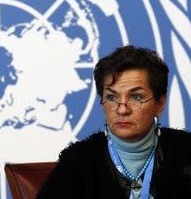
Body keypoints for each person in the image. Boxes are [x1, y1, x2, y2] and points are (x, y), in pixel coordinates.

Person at [37, 45, 191, 199]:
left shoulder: (186, 152)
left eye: (136, 97)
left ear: (160, 104)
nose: (122, 110)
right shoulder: (77, 161)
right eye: (112, 97)